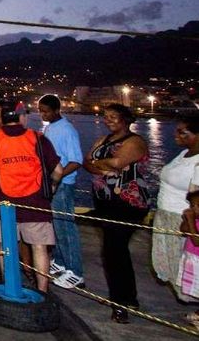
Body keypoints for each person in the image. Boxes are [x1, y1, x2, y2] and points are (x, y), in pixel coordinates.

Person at [0, 106, 62, 293]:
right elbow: (58, 171)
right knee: (39, 248)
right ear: (22, 117)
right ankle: (43, 291)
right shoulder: (37, 137)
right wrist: (52, 187)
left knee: (6, 246)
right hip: (36, 202)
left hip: (4, 202)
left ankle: (9, 286)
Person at [83, 103, 150, 324]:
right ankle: (129, 297)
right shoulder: (103, 140)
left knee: (113, 251)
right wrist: (103, 165)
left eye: (113, 117)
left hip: (127, 204)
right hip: (105, 203)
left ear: (125, 119)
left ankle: (119, 303)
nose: (108, 120)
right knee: (117, 251)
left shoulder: (135, 142)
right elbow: (87, 163)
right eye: (106, 116)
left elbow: (118, 162)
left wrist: (101, 164)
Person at [38, 94, 85, 289]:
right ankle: (60, 261)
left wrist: (57, 179)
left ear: (57, 110)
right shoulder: (50, 128)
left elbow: (76, 160)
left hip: (63, 185)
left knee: (66, 227)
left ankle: (75, 271)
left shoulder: (67, 130)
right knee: (56, 224)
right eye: (40, 110)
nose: (42, 114)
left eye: (45, 111)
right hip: (53, 184)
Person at [153, 116, 199, 300]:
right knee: (169, 263)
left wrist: (189, 222)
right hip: (165, 214)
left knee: (187, 265)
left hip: (180, 218)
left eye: (183, 132)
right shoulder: (184, 154)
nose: (176, 136)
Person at [178, 191, 199, 322]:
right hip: (192, 260)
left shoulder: (194, 220)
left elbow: (197, 241)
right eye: (192, 205)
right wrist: (187, 219)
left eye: (197, 205)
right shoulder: (195, 219)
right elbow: (183, 230)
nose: (194, 209)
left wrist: (191, 219)